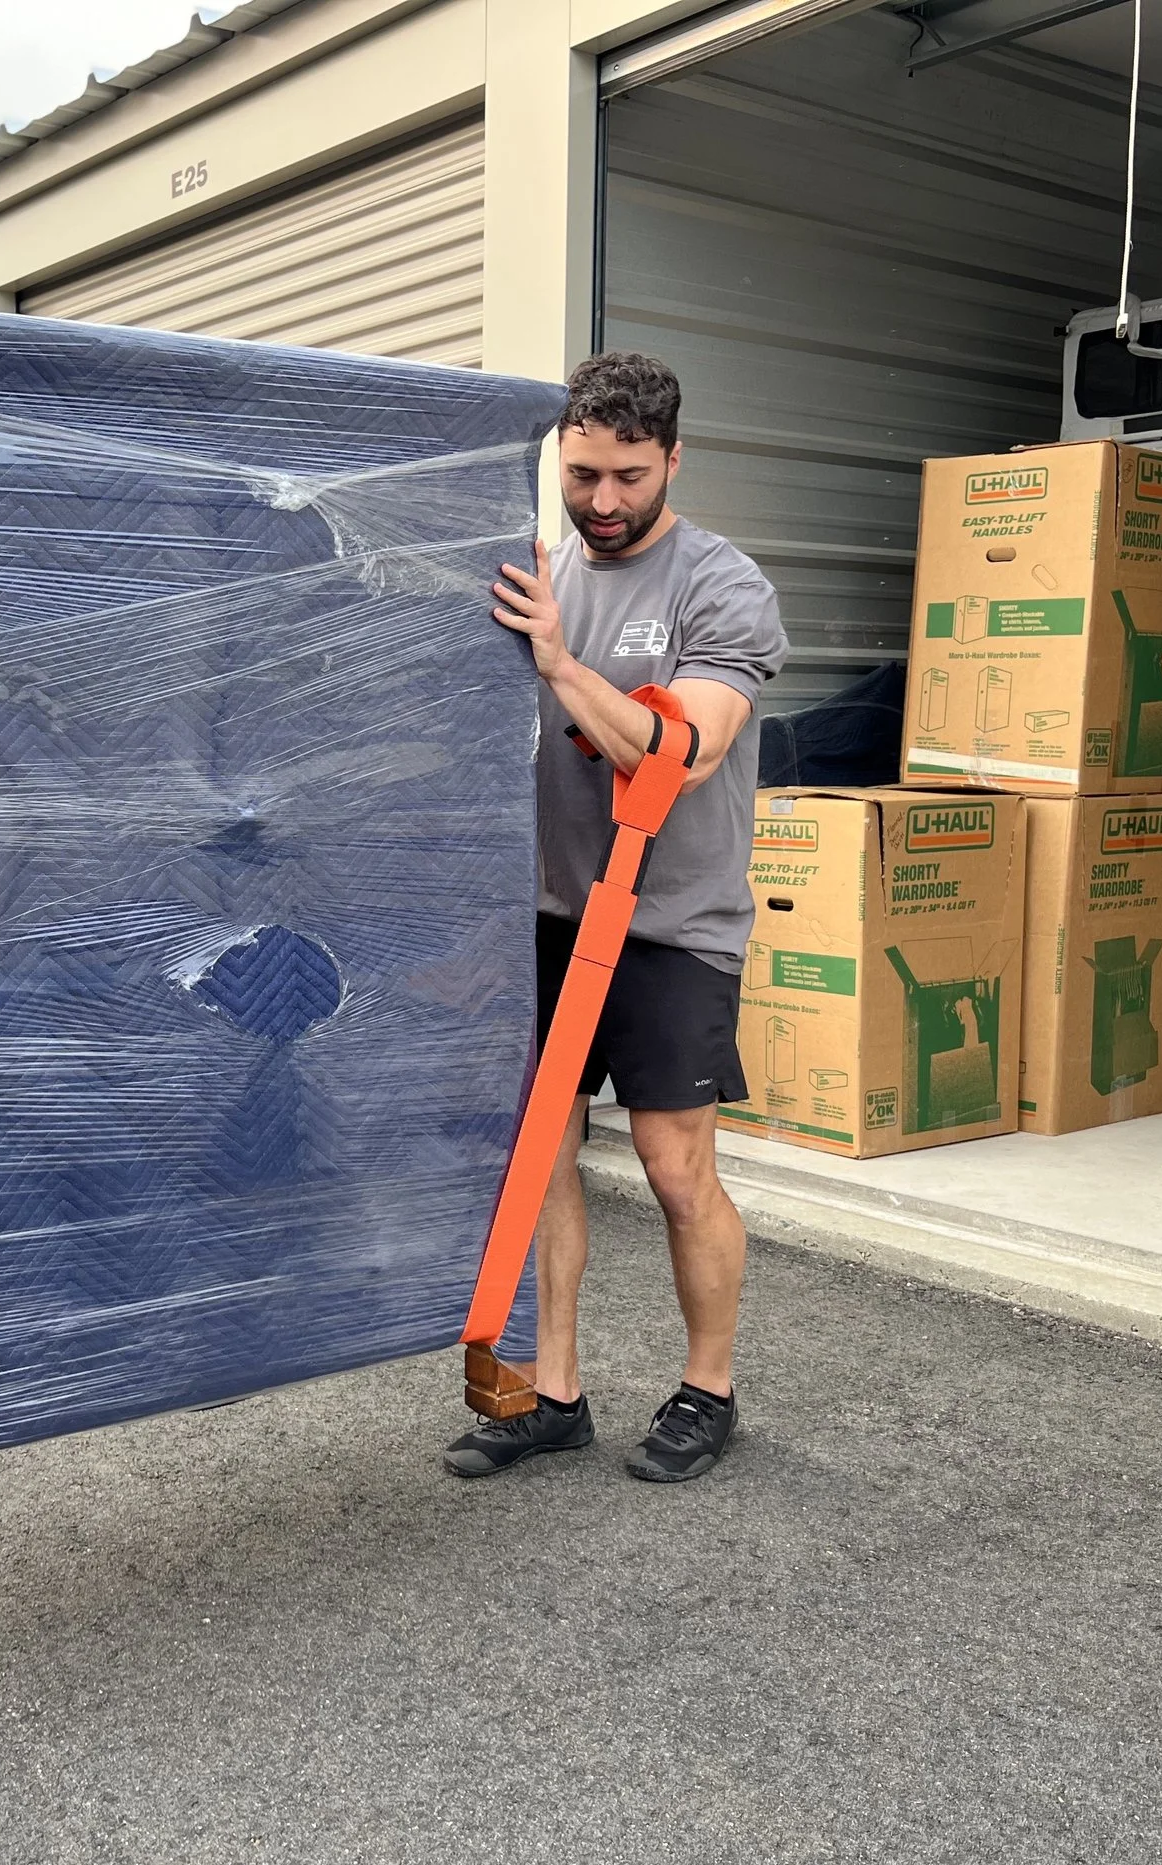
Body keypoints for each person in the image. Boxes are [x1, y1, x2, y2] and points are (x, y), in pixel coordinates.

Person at [446, 350, 787, 1486]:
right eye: (582, 472)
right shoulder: (538, 570)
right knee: (539, 1158)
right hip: (543, 912)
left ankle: (708, 1390)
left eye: (627, 477)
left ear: (671, 460)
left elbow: (684, 753)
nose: (601, 501)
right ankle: (553, 1395)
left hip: (670, 922)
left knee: (673, 1164)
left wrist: (557, 662)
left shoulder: (720, 585)